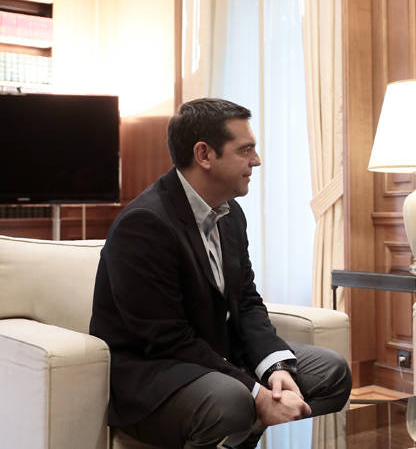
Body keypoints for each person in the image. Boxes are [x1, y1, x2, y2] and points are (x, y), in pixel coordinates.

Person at [90, 98, 351, 449]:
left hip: (216, 356)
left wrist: (275, 369)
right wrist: (257, 392)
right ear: (204, 154)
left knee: (331, 371)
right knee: (231, 399)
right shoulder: (144, 224)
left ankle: (248, 432)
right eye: (245, 150)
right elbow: (167, 339)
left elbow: (246, 301)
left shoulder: (231, 215)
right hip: (155, 373)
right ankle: (245, 422)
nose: (256, 160)